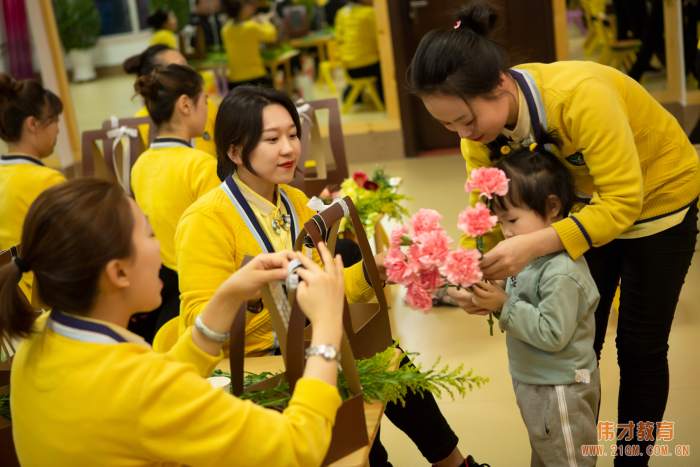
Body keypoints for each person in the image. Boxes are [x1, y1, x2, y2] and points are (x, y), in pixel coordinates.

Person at [407, 1, 700, 463]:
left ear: (500, 84)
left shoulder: (580, 97)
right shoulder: (477, 138)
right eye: (446, 124)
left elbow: (624, 201)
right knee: (581, 341)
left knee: (641, 349)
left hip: (658, 201)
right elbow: (481, 213)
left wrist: (536, 243)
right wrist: (474, 276)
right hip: (585, 210)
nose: (462, 132)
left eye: (465, 119)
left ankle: (633, 457)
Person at [172, 85, 487, 467]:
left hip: (301, 346)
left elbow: (320, 292)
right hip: (255, 365)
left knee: (388, 360)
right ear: (236, 152)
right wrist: (271, 301)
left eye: (292, 135)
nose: (289, 149)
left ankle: (452, 463)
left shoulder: (294, 201)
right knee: (360, 416)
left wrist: (378, 271)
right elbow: (199, 324)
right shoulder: (206, 220)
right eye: (272, 139)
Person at [2, 177, 348, 467]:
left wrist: (226, 298)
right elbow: (298, 447)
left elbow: (155, 388)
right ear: (118, 272)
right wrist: (328, 328)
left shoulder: (39, 335)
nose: (161, 248)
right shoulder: (142, 387)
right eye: (151, 235)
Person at [470, 133, 601, 467]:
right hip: (536, 379)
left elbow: (553, 334)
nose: (507, 231)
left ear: (552, 207)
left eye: (512, 220)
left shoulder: (561, 272)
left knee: (568, 459)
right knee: (548, 454)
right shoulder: (530, 258)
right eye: (501, 222)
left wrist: (503, 304)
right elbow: (521, 292)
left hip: (561, 388)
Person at [130, 64, 221, 342]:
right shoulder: (201, 165)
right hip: (198, 288)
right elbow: (220, 238)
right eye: (204, 100)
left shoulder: (140, 163)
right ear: (185, 105)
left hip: (158, 282)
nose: (208, 107)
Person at [0, 73, 65, 301]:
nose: (58, 129)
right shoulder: (47, 181)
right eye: (55, 119)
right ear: (33, 124)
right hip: (37, 304)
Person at [123, 45, 218, 157]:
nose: (192, 72)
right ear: (158, 76)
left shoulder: (205, 105)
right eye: (182, 66)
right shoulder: (140, 123)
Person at [335, 0, 384, 104]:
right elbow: (379, 39)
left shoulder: (341, 13)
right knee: (385, 65)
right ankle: (384, 99)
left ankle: (354, 96)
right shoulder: (369, 12)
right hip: (368, 66)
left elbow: (339, 39)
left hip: (348, 67)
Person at [221, 0, 276, 89]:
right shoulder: (251, 27)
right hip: (256, 75)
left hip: (235, 79)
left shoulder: (225, 30)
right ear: (241, 11)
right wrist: (265, 21)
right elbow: (271, 34)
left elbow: (238, 25)